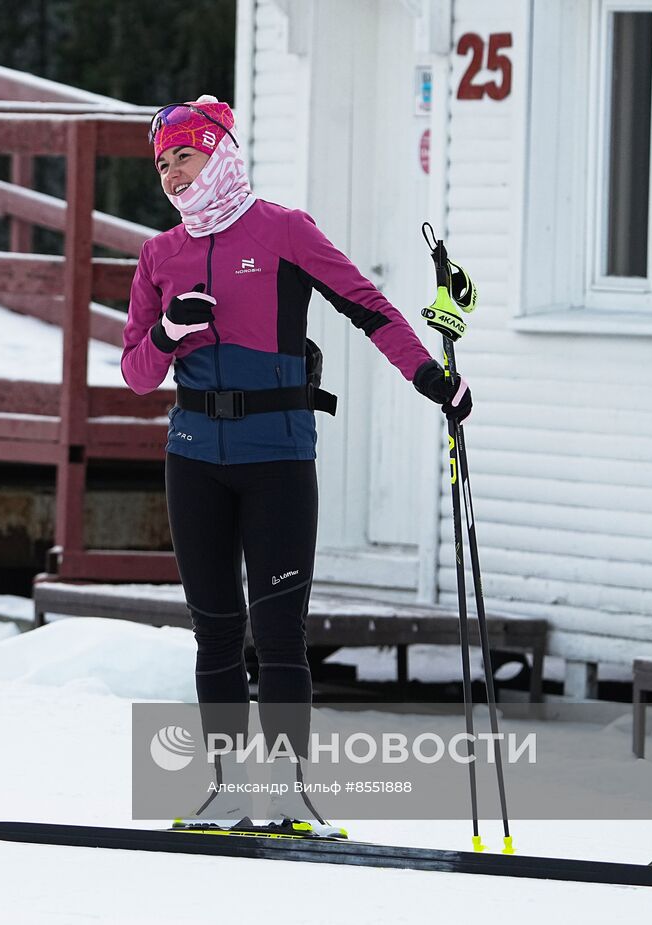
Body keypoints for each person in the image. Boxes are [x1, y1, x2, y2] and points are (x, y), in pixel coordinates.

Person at [122, 96, 470, 836]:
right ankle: (223, 792)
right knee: (214, 632)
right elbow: (137, 374)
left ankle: (285, 795)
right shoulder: (160, 256)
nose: (173, 173)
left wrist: (431, 379)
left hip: (278, 457)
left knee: (279, 633)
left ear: (219, 151)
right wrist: (167, 327)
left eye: (184, 155)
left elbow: (368, 306)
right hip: (193, 460)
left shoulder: (282, 230)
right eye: (161, 164)